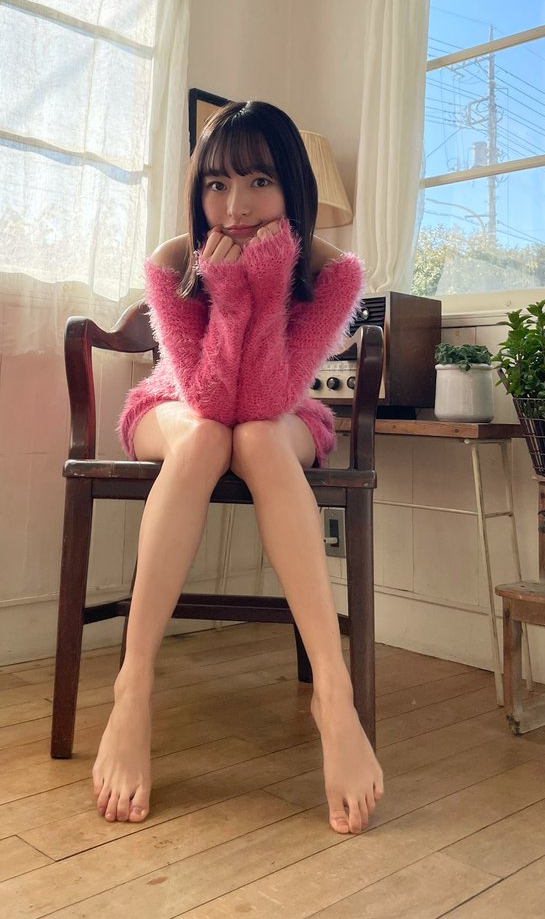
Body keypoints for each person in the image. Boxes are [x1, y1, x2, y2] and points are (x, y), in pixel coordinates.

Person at [92, 100, 384, 835]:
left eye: (259, 182)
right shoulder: (173, 261)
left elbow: (262, 404)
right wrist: (228, 296)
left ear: (293, 187)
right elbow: (210, 401)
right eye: (217, 185)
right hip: (177, 402)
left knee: (256, 438)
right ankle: (133, 687)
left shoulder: (332, 273)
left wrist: (271, 280)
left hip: (284, 410)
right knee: (204, 439)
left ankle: (333, 693)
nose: (236, 207)